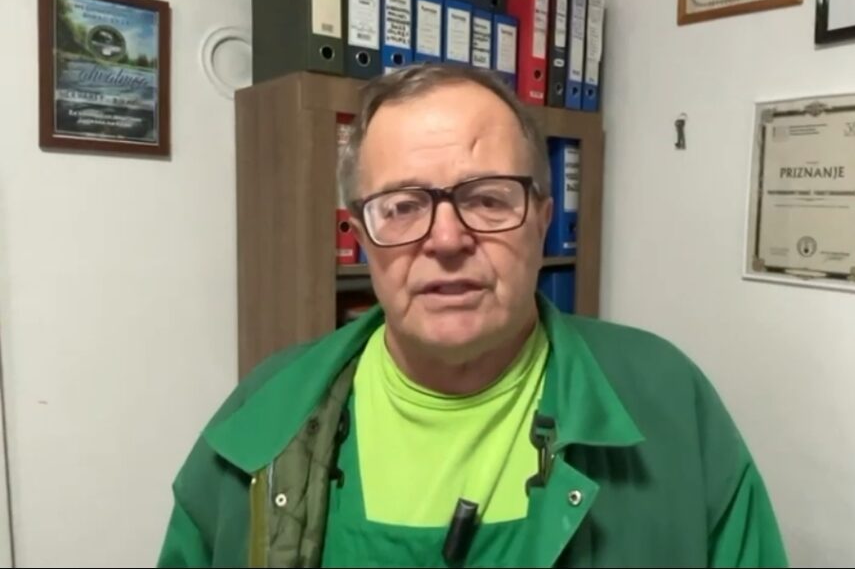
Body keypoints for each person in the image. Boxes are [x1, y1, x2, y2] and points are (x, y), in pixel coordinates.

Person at [156, 63, 788, 568]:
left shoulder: (668, 400)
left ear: (542, 223)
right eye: (402, 206)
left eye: (487, 199)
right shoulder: (262, 417)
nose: (447, 239)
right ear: (362, 237)